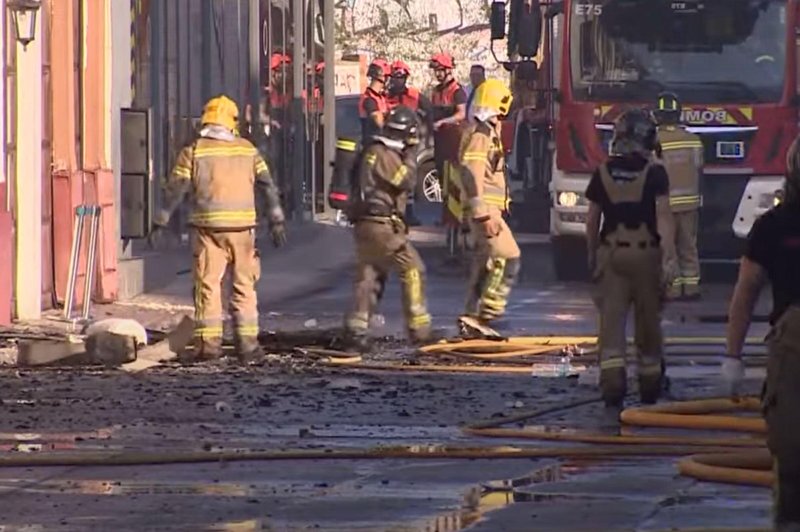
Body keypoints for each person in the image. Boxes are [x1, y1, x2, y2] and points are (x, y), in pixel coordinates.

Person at [150, 95, 287, 364]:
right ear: (232, 122)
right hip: (242, 232)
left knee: (208, 287)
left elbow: (176, 189)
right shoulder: (248, 150)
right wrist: (277, 220)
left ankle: (209, 347)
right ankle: (248, 346)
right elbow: (268, 185)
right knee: (244, 287)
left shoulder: (194, 150)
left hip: (208, 231)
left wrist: (160, 221)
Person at [723, 135, 800, 530]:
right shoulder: (774, 226)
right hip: (791, 346)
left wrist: (733, 357)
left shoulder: (773, 224)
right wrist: (732, 357)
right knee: (789, 448)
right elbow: (747, 290)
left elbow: (745, 291)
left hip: (790, 344)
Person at [585, 108, 677, 409]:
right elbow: (663, 216)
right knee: (648, 321)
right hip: (646, 253)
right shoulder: (655, 172)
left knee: (611, 322)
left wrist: (592, 255)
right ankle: (650, 383)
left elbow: (591, 220)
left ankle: (613, 385)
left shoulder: (602, 171)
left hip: (611, 253)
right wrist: (668, 257)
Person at [343, 105, 433, 350]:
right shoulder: (384, 154)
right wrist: (412, 155)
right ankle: (419, 329)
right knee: (413, 268)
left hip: (367, 225)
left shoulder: (373, 149)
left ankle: (357, 330)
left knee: (370, 276)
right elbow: (405, 180)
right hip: (380, 226)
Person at [457, 79, 520, 339]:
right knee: (508, 257)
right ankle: (487, 313)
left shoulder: (485, 133)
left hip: (488, 209)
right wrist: (482, 213)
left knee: (485, 265)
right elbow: (472, 173)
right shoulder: (481, 135)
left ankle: (471, 318)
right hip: (485, 211)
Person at [654, 92, 704, 300]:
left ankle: (672, 288)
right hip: (690, 202)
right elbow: (699, 166)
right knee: (688, 245)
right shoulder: (694, 141)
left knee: (668, 248)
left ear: (657, 116)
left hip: (665, 204)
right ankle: (691, 287)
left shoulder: (654, 141)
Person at [387, 60, 434, 227]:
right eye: (395, 77)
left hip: (410, 142)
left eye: (401, 77)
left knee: (410, 178)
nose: (398, 81)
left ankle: (409, 211)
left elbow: (429, 111)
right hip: (392, 142)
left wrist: (428, 131)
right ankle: (394, 211)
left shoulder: (415, 95)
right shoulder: (387, 96)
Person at [429, 53, 467, 130]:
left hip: (454, 134)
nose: (437, 74)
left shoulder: (457, 90)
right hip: (437, 132)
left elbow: (462, 114)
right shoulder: (436, 90)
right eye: (435, 71)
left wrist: (443, 122)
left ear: (448, 70)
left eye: (440, 70)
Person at [358, 58, 391, 143]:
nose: (388, 80)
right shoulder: (369, 99)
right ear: (380, 76)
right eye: (387, 76)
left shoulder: (380, 97)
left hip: (381, 142)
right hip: (372, 145)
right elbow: (379, 121)